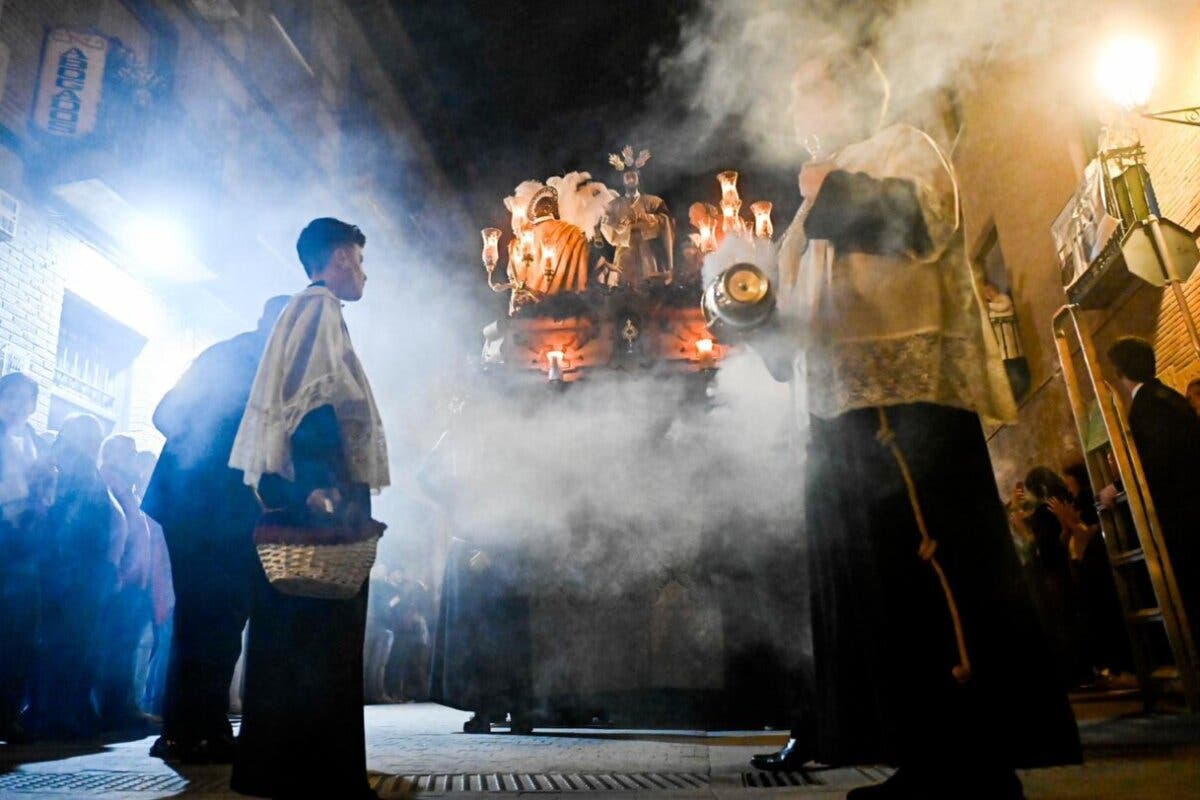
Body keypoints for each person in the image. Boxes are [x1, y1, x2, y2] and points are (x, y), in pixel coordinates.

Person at [745, 49, 1080, 797]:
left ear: (856, 94)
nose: (799, 108)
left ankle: (976, 765)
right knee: (875, 588)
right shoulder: (805, 209)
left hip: (907, 400)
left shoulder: (903, 146)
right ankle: (921, 755)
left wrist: (828, 187)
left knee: (932, 568)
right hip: (838, 407)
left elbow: (919, 220)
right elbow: (796, 318)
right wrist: (754, 319)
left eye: (810, 88)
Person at [228, 218, 389, 799]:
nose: (363, 273)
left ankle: (280, 768)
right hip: (325, 496)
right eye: (360, 261)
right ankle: (318, 775)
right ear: (340, 258)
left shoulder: (313, 310)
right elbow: (313, 403)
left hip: (315, 491)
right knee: (322, 635)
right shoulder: (318, 307)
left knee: (296, 632)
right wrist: (321, 486)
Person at [143, 295, 289, 762]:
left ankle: (186, 729)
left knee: (203, 617)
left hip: (192, 506)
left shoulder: (230, 355)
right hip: (213, 509)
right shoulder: (251, 362)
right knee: (218, 616)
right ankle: (198, 731)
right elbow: (171, 414)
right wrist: (216, 459)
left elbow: (165, 413)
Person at [1104, 337, 1200, 642]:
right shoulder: (1169, 396)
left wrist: (1117, 484)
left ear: (1119, 372)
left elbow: (1156, 459)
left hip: (1180, 515)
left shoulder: (1145, 407)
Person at [30, 413, 117, 739]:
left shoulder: (74, 469)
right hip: (79, 574)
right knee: (71, 647)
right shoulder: (82, 471)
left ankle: (57, 715)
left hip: (73, 574)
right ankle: (65, 714)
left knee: (62, 647)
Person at [96, 434, 155, 732]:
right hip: (119, 583)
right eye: (128, 452)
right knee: (116, 648)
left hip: (135, 584)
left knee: (128, 648)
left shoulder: (128, 490)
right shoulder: (108, 483)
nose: (135, 458)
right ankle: (115, 710)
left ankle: (125, 705)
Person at [0, 372, 45, 741]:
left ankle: (8, 712)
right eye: (10, 395)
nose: (17, 404)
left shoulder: (38, 443)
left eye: (24, 399)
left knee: (20, 632)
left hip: (29, 546)